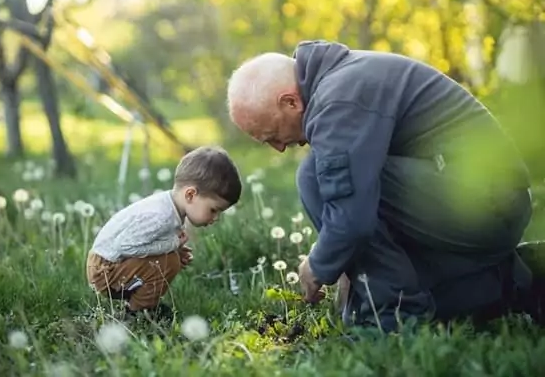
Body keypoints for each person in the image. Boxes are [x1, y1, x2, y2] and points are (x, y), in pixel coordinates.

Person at [226, 39, 535, 332]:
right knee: (368, 307)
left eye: (272, 135)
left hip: (487, 202)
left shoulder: (338, 98)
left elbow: (352, 219)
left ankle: (394, 319)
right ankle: (518, 279)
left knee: (313, 177)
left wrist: (317, 266)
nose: (278, 148)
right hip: (480, 199)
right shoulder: (341, 81)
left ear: (290, 102)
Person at [86, 146, 242, 320]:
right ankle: (137, 314)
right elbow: (125, 246)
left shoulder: (170, 208)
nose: (216, 218)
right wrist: (171, 245)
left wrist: (173, 249)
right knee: (169, 262)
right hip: (104, 270)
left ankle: (144, 306)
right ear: (190, 195)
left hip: (112, 264)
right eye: (213, 210)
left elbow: (145, 242)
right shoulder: (160, 216)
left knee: (169, 260)